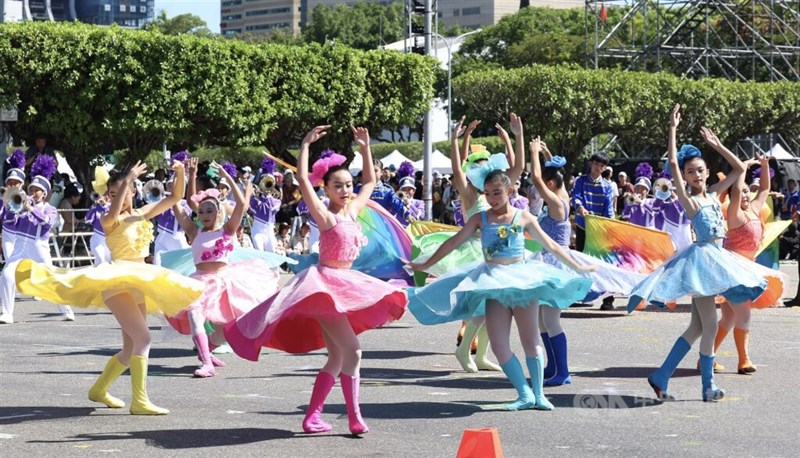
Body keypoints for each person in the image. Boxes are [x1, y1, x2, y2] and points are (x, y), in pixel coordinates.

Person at [224, 126, 407, 435]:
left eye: (347, 185)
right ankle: (354, 417)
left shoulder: (352, 211)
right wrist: (306, 144)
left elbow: (370, 182)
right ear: (326, 188)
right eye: (338, 186)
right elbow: (303, 182)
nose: (345, 190)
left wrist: (365, 148)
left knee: (336, 357)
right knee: (353, 351)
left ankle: (312, 417)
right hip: (324, 289)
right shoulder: (326, 216)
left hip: (344, 284)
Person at [15, 160, 205, 413]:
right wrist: (126, 181)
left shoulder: (142, 213)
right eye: (113, 194)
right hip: (117, 282)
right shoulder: (108, 219)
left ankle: (99, 389)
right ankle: (139, 401)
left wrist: (181, 173)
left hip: (139, 279)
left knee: (130, 348)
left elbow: (175, 197)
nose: (118, 198)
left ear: (134, 192)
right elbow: (114, 213)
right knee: (144, 338)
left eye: (123, 193)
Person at [407, 161, 595, 411]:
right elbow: (454, 242)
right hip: (493, 282)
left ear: (509, 191)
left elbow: (551, 245)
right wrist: (425, 264)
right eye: (487, 194)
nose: (492, 198)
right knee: (498, 344)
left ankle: (539, 395)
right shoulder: (480, 218)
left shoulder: (523, 216)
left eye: (497, 193)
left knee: (531, 341)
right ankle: (524, 394)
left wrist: (578, 266)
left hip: (522, 282)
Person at [627, 104, 769, 402]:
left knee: (696, 327)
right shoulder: (690, 200)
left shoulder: (714, 194)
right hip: (702, 264)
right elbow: (673, 165)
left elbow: (739, 169)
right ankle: (708, 386)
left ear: (707, 172)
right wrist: (672, 130)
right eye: (690, 172)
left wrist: (717, 145)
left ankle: (661, 375)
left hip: (717, 259)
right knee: (710, 326)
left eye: (700, 170)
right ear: (686, 176)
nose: (696, 175)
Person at [529, 137, 645, 385]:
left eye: (543, 185)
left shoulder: (556, 202)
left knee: (550, 319)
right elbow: (551, 173)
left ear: (550, 184)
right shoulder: (561, 191)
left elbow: (538, 179)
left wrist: (532, 152)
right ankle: (553, 367)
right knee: (542, 319)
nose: (538, 188)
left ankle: (563, 372)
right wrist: (546, 153)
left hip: (555, 264)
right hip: (547, 262)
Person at [167, 163, 280, 378]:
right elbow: (176, 204)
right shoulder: (194, 231)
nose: (205, 215)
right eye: (201, 212)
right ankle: (206, 363)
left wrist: (228, 176)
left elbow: (242, 204)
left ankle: (206, 352)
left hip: (225, 282)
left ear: (219, 212)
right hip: (200, 282)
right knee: (195, 315)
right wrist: (180, 176)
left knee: (221, 335)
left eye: (210, 211)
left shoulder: (228, 230)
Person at [444, 115, 525, 372]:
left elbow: (517, 168)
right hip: (475, 254)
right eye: (478, 167)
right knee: (483, 307)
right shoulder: (469, 194)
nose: (483, 171)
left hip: (497, 256)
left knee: (497, 308)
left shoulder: (497, 194)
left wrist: (514, 138)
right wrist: (457, 140)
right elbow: (458, 169)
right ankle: (464, 349)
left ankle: (481, 355)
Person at [709, 157, 785, 375]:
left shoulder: (753, 209)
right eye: (740, 192)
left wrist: (764, 165)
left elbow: (764, 188)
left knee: (729, 318)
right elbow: (735, 192)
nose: (744, 195)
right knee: (744, 315)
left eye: (746, 192)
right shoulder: (735, 214)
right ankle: (744, 361)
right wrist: (741, 170)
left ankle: (706, 359)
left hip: (747, 270)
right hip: (732, 272)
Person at [1, 155, 75, 324]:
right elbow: (10, 222)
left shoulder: (50, 209)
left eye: (37, 191)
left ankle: (65, 308)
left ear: (44, 194)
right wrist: (12, 209)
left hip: (38, 248)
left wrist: (30, 209)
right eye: (31, 190)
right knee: (7, 274)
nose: (33, 193)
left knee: (51, 278)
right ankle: (7, 313)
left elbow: (47, 222)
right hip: (20, 246)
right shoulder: (22, 205)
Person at [571, 152, 615, 310]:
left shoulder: (607, 186)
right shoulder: (581, 181)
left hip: (599, 229)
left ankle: (608, 299)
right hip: (583, 226)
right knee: (580, 262)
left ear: (605, 168)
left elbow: (608, 208)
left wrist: (609, 224)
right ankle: (578, 296)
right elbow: (576, 197)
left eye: (602, 165)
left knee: (603, 262)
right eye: (596, 164)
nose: (598, 168)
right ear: (591, 163)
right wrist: (580, 207)